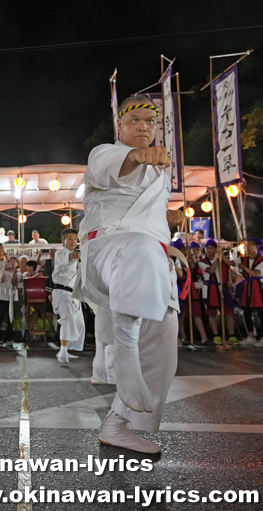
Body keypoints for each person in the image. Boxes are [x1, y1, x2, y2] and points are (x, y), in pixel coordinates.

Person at [74, 94, 182, 454]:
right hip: (107, 253)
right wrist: (136, 155)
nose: (142, 126)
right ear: (119, 126)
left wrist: (169, 229)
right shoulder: (104, 153)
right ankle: (124, 348)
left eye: (149, 122)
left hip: (151, 264)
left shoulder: (161, 175)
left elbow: (145, 219)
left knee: (165, 345)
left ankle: (117, 425)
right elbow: (112, 168)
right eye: (134, 120)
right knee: (137, 245)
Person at [51, 228, 84, 363]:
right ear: (63, 241)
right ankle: (63, 351)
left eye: (75, 239)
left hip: (72, 293)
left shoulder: (77, 257)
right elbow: (68, 258)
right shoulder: (61, 253)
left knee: (79, 322)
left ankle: (66, 349)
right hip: (62, 292)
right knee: (67, 318)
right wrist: (74, 256)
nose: (73, 241)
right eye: (69, 239)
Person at [198, 239, 236, 344]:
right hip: (210, 289)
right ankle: (216, 335)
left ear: (215, 249)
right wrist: (216, 258)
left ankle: (232, 335)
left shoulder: (221, 259)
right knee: (212, 313)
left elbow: (230, 263)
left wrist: (221, 254)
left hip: (222, 288)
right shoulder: (202, 262)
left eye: (212, 248)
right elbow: (211, 270)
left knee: (229, 312)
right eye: (207, 248)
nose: (209, 250)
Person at [233, 237, 263, 346]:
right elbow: (231, 262)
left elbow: (255, 273)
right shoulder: (243, 259)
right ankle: (250, 336)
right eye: (246, 245)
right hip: (247, 287)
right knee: (246, 311)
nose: (247, 248)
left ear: (257, 247)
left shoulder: (261, 260)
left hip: (258, 287)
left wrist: (243, 268)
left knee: (261, 312)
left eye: (250, 245)